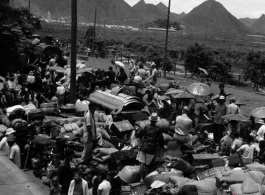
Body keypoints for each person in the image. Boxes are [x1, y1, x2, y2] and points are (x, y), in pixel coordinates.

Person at [136, 112, 164, 182]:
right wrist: (162, 146)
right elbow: (161, 139)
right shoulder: (158, 129)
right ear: (156, 121)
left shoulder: (146, 127)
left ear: (150, 120)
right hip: (151, 149)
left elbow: (140, 134)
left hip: (144, 147)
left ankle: (141, 179)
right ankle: (146, 178)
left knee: (142, 163)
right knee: (147, 165)